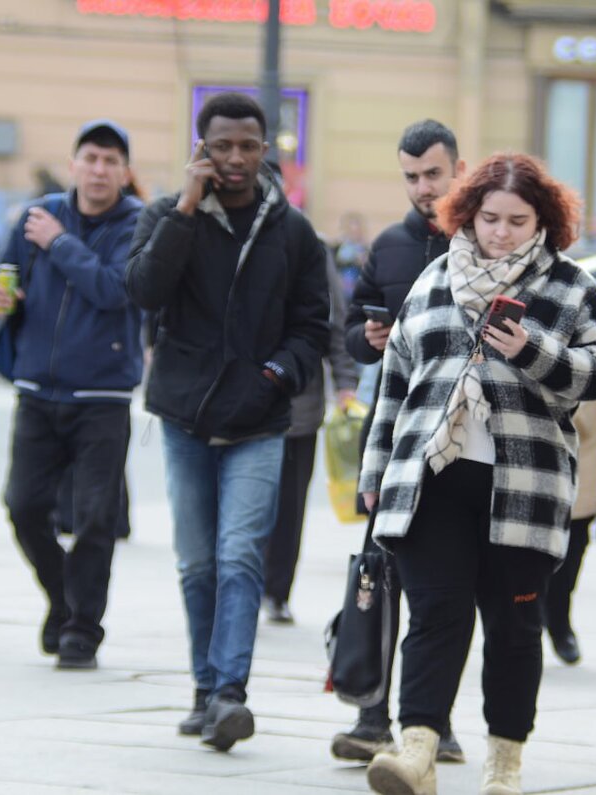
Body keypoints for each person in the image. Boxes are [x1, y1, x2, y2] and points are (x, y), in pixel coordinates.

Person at [360, 153, 596, 795]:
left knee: (513, 626)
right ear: (467, 214)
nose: (500, 232)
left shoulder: (571, 286)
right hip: (432, 482)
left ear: (544, 222)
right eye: (489, 217)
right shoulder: (434, 279)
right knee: (436, 614)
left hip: (523, 488)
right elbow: (396, 382)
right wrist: (375, 469)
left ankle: (504, 762)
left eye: (517, 220)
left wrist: (533, 351)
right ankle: (416, 749)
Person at [126, 92, 329, 753]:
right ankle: (203, 686)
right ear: (201, 148)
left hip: (260, 418)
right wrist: (186, 206)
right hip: (185, 414)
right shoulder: (168, 213)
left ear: (265, 149)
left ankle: (230, 692)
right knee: (197, 562)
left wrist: (274, 374)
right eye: (221, 146)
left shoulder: (292, 230)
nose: (235, 158)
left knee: (241, 553)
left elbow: (312, 328)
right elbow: (144, 290)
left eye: (247, 145)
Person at [0, 120, 143, 671]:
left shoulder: (135, 224)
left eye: (110, 161)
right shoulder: (36, 216)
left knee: (97, 516)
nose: (99, 170)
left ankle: (81, 628)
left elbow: (114, 290)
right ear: (74, 163)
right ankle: (64, 599)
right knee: (23, 506)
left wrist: (60, 243)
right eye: (90, 158)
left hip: (103, 395)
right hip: (37, 390)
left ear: (124, 171)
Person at [333, 118, 467, 764]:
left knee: (445, 590)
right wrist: (369, 340)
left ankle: (433, 721)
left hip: (466, 443)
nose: (422, 187)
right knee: (379, 575)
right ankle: (370, 712)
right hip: (393, 439)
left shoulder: (483, 240)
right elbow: (353, 327)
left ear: (457, 171)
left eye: (433, 174)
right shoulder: (388, 246)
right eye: (412, 176)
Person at [261, 250, 358, 625]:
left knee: (288, 507)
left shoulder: (308, 244)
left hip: (297, 408)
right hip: (235, 406)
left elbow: (334, 323)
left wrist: (345, 383)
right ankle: (242, 584)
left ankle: (276, 591)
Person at [542, 399, 596, 665]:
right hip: (530, 450)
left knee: (570, 556)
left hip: (582, 456)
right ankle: (532, 620)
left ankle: (558, 622)